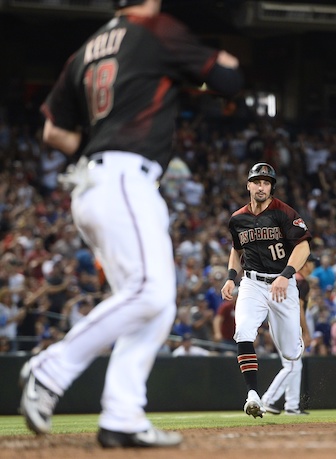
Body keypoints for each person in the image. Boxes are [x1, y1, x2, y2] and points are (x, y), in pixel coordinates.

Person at [19, 0, 243, 449]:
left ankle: (122, 414)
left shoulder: (85, 50)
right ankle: (51, 369)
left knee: (155, 304)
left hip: (98, 179)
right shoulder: (154, 28)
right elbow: (228, 81)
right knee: (149, 291)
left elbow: (52, 132)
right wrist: (228, 58)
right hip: (125, 177)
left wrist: (99, 146)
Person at [220, 162, 311, 419]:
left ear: (271, 187)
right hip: (252, 283)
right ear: (248, 184)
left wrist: (286, 274)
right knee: (243, 331)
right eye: (257, 181)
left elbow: (303, 246)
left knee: (291, 353)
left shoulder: (283, 212)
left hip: (282, 285)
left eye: (266, 182)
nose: (261, 186)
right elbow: (237, 250)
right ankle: (253, 396)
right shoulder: (237, 219)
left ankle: (292, 338)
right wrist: (230, 278)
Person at [261, 254, 318, 415]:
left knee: (295, 366)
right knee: (291, 365)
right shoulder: (300, 282)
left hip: (280, 323)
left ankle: (292, 405)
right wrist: (306, 331)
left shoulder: (290, 279)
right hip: (287, 325)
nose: (313, 267)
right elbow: (299, 308)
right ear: (305, 264)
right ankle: (267, 400)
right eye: (312, 263)